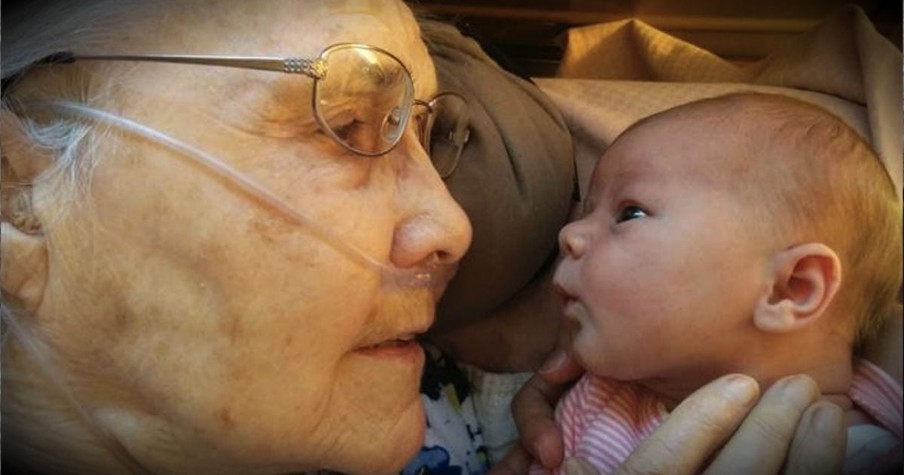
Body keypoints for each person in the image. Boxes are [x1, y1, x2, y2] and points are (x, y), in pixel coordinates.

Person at [0, 1, 875, 474]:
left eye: (423, 127)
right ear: (14, 193)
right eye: (344, 117)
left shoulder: (490, 399)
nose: (455, 224)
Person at [525, 92, 902, 474]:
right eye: (588, 211)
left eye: (630, 212)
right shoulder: (594, 400)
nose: (570, 233)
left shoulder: (871, 457)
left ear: (790, 289)